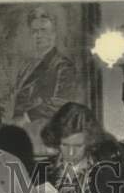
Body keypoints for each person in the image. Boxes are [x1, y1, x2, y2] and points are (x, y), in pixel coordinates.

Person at [7, 8, 77, 148]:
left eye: (43, 30)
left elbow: (61, 103)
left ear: (54, 33)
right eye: (34, 31)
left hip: (46, 138)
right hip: (24, 137)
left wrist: (26, 117)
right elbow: (16, 95)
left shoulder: (64, 66)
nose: (38, 35)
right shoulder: (28, 65)